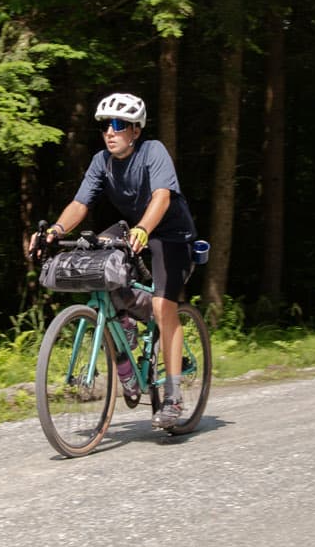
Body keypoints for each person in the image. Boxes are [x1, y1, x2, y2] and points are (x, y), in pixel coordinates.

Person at [31, 92, 198, 428]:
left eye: (119, 125)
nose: (110, 131)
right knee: (97, 268)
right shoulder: (101, 162)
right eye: (106, 125)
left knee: (164, 306)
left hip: (171, 234)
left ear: (135, 130)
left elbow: (161, 197)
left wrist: (142, 230)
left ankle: (174, 397)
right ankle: (125, 335)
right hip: (135, 229)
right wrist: (56, 229)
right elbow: (81, 203)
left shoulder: (154, 152)